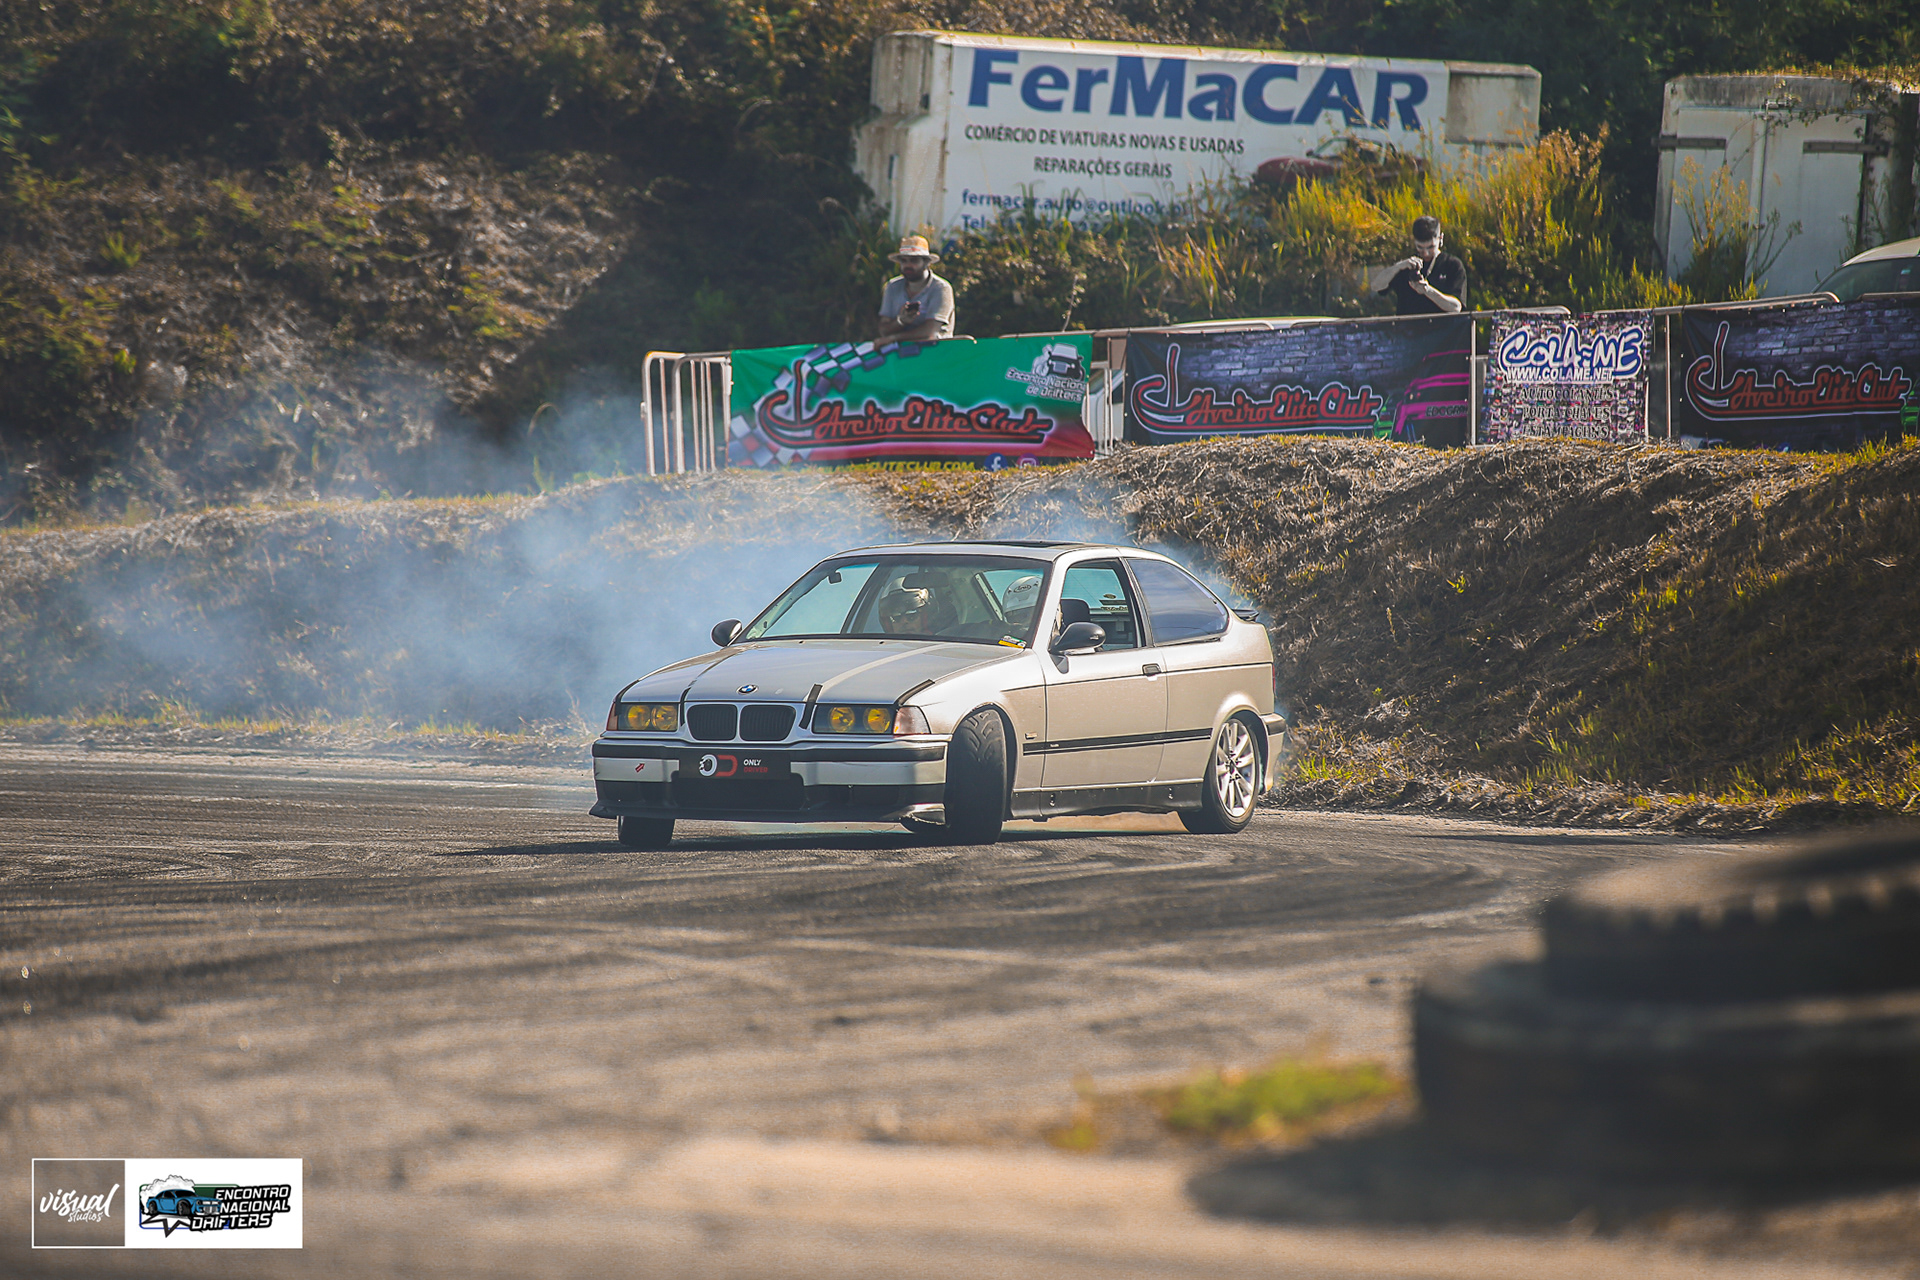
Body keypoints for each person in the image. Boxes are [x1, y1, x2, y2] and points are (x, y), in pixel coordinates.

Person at [1371, 216, 1465, 315]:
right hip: (1408, 324)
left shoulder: (1452, 265)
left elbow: (1456, 307)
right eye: (1420, 247)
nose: (1426, 253)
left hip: (1440, 324)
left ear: (1440, 238)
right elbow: (1376, 286)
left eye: (1431, 247)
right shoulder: (1407, 265)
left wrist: (1428, 291)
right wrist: (1398, 267)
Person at [877, 235, 955, 341]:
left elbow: (931, 332)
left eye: (914, 261)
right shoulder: (892, 286)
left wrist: (894, 338)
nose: (908, 265)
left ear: (926, 263)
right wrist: (900, 321)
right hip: (899, 348)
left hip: (936, 348)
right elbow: (883, 330)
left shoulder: (941, 288)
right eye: (904, 261)